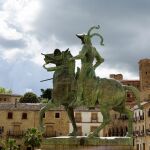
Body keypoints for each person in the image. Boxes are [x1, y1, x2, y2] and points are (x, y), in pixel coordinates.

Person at [73, 25, 104, 105]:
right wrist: (94, 67)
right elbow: (100, 60)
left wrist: (71, 59)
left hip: (85, 68)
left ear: (85, 39)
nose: (82, 41)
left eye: (82, 39)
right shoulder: (94, 49)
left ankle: (79, 100)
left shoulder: (85, 47)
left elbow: (81, 56)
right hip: (91, 69)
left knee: (79, 82)